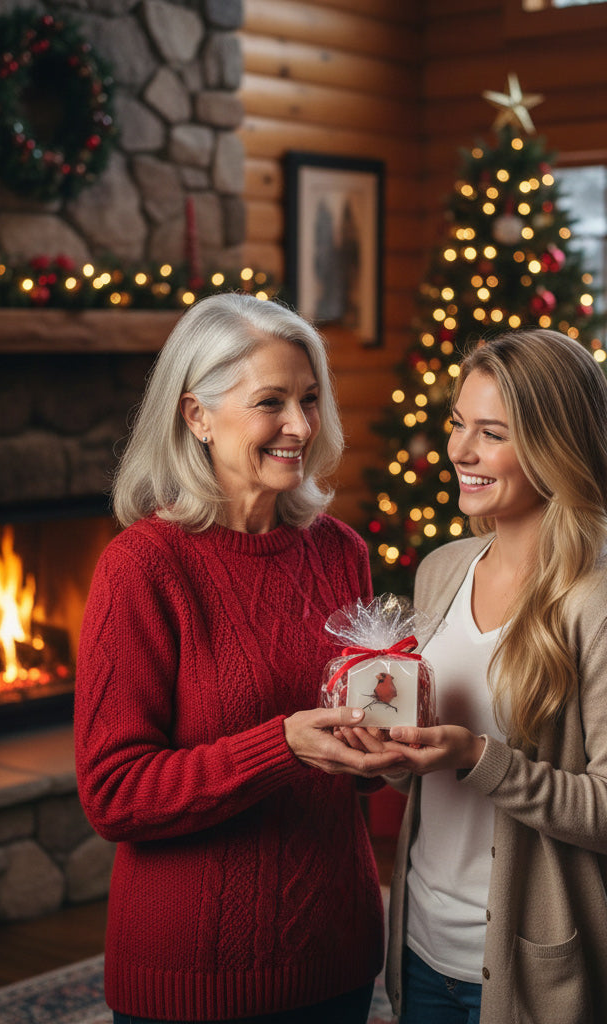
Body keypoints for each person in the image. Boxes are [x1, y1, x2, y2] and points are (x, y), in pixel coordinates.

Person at [73, 292, 403, 1024]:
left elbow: (349, 765)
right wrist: (281, 744)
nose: (299, 425)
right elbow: (113, 792)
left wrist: (384, 749)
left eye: (310, 399)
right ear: (196, 416)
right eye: (270, 402)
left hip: (336, 948)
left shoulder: (339, 551)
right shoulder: (143, 568)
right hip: (194, 972)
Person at [344, 329, 607, 1023]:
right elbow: (416, 768)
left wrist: (476, 757)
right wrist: (384, 749)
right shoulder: (440, 569)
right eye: (458, 424)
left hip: (537, 968)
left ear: (556, 448)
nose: (459, 450)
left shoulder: (604, 606)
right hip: (419, 946)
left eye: (491, 432)